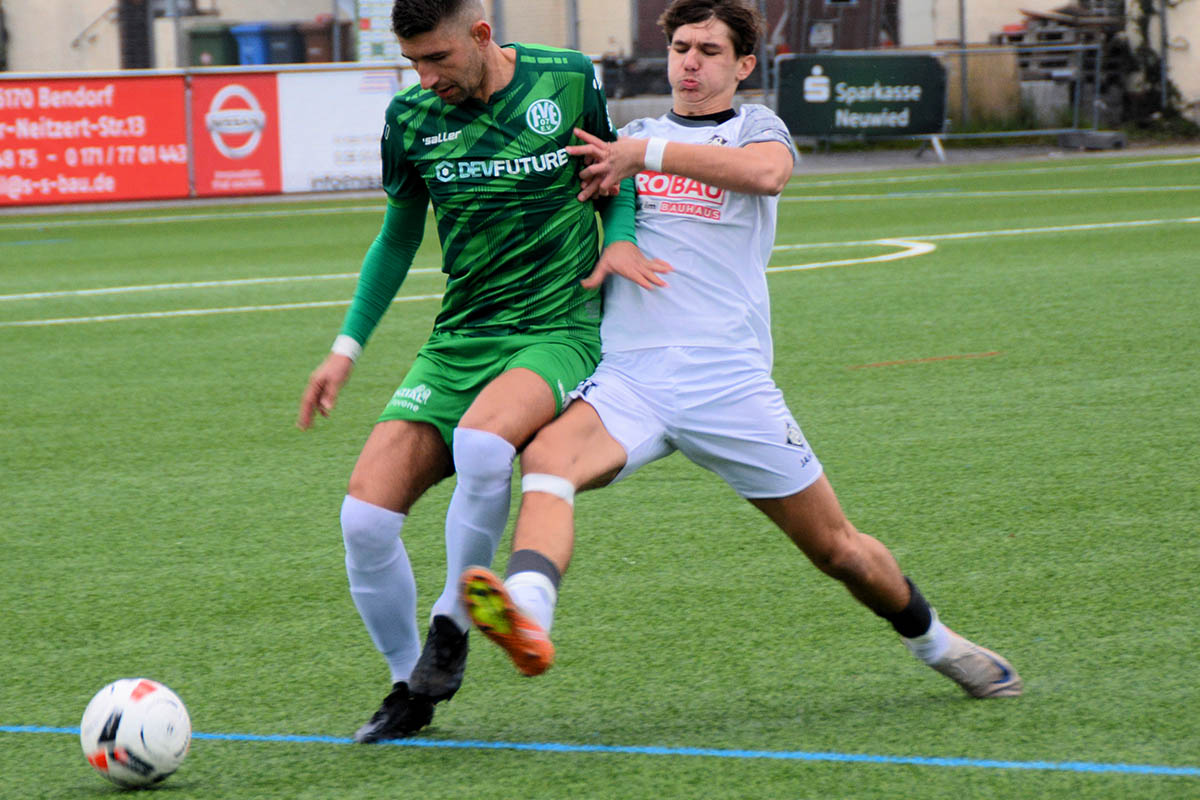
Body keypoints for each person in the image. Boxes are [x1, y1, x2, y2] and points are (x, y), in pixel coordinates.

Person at [459, 0, 1022, 700]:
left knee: (837, 549)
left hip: (728, 381)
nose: (690, 62)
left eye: (710, 51)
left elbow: (766, 176)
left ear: (744, 64)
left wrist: (645, 156)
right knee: (546, 459)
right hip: (631, 376)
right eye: (681, 48)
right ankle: (529, 618)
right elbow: (571, 192)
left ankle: (942, 646)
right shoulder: (629, 132)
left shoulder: (755, 128)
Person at [297, 0, 647, 742]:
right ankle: (410, 684)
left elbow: (618, 182)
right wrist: (344, 348)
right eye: (413, 62)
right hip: (460, 336)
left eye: (438, 59)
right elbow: (396, 238)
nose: (426, 77)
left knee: (484, 445)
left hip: (556, 325)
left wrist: (617, 242)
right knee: (362, 520)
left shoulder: (567, 78)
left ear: (481, 35)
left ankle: (451, 623)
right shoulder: (411, 118)